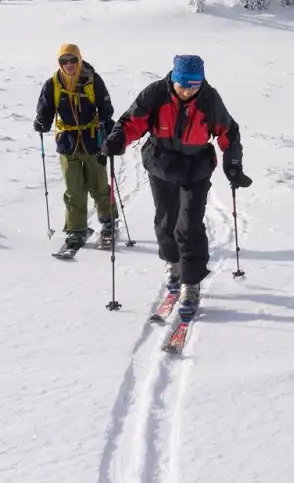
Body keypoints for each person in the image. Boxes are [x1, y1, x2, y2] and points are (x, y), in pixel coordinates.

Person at [101, 54, 250, 320]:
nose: (188, 91)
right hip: (161, 164)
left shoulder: (209, 98)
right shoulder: (156, 93)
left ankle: (191, 282)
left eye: (194, 86)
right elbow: (132, 121)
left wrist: (234, 165)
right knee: (165, 220)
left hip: (196, 167)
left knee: (189, 223)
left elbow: (228, 132)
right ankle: (173, 263)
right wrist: (117, 140)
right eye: (183, 86)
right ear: (174, 79)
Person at [33, 43, 119, 255]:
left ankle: (108, 221)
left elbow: (106, 107)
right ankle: (76, 229)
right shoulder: (53, 84)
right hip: (67, 141)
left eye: (73, 60)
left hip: (93, 139)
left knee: (99, 184)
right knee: (74, 189)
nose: (69, 64)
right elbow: (45, 109)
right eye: (64, 61)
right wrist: (41, 122)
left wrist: (107, 125)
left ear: (79, 60)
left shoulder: (92, 80)